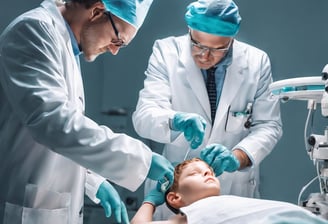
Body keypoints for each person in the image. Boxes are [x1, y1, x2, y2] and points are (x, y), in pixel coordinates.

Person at [0, 0, 174, 223]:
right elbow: (54, 123)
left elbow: (63, 139)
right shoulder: (33, 31)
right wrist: (143, 160)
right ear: (97, 11)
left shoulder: (66, 45)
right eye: (117, 39)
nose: (114, 51)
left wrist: (92, 181)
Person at [132, 0, 282, 219]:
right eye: (197, 44)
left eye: (217, 49)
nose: (203, 55)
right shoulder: (166, 52)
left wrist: (237, 157)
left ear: (231, 40)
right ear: (189, 30)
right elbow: (144, 116)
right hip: (178, 197)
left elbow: (269, 126)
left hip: (234, 190)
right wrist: (175, 120)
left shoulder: (256, 62)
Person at [130, 158, 328, 224]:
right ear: (175, 198)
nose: (207, 171)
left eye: (208, 169)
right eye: (195, 173)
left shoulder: (220, 203)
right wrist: (150, 201)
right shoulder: (188, 217)